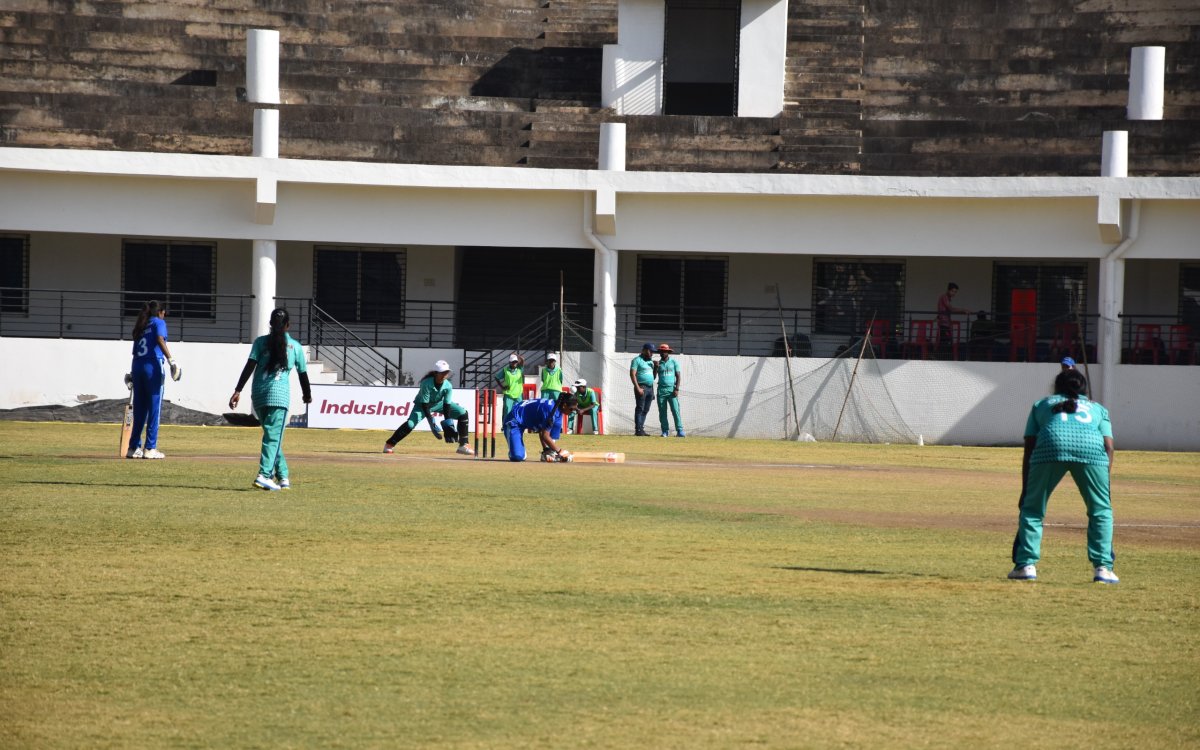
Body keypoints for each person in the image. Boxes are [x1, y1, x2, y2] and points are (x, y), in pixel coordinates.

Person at [1009, 369, 1118, 584]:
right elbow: (1109, 446)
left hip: (1049, 448)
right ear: (1084, 389)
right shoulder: (1097, 408)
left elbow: (1030, 446)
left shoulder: (1042, 405)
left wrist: (1026, 489)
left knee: (1032, 509)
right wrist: (1104, 483)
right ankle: (1103, 568)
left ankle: (1026, 566)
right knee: (1101, 511)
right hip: (1092, 452)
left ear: (1056, 388)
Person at [228, 308, 312, 491]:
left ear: (270, 325)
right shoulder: (295, 346)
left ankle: (283, 476)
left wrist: (237, 390)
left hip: (259, 395)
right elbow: (303, 374)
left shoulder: (260, 342)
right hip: (278, 397)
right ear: (288, 325)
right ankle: (264, 475)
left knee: (272, 436)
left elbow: (249, 366)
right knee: (273, 439)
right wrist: (307, 395)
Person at [383, 360, 475, 456]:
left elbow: (446, 404)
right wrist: (431, 422)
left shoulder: (448, 385)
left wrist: (448, 423)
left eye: (446, 372)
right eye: (442, 372)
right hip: (422, 405)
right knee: (410, 424)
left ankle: (463, 446)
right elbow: (425, 404)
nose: (445, 374)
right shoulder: (426, 383)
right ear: (436, 373)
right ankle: (389, 444)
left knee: (463, 413)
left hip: (439, 404)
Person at [127, 299, 178, 459]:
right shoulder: (158, 322)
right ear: (160, 312)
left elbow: (136, 353)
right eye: (164, 314)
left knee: (140, 410)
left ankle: (133, 447)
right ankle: (150, 448)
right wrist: (172, 360)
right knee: (154, 409)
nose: (165, 317)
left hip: (137, 367)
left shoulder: (141, 325)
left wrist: (132, 374)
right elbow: (160, 339)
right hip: (152, 367)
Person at [503, 392, 578, 462]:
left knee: (555, 428)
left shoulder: (558, 410)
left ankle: (548, 451)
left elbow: (544, 432)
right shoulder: (551, 411)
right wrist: (560, 451)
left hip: (526, 418)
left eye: (575, 409)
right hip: (514, 421)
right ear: (564, 405)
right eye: (572, 409)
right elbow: (544, 435)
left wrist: (547, 450)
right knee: (518, 457)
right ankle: (514, 450)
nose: (573, 411)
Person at [654, 343, 684, 437]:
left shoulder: (674, 362)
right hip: (661, 390)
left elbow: (678, 376)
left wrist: (677, 389)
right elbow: (654, 377)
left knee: (675, 410)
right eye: (661, 351)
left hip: (672, 390)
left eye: (664, 351)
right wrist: (655, 367)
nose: (662, 353)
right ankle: (665, 431)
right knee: (662, 412)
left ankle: (679, 430)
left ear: (668, 352)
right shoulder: (658, 363)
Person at [936, 282, 970, 359]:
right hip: (944, 323)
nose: (954, 293)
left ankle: (942, 358)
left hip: (946, 323)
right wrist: (963, 310)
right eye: (953, 291)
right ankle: (940, 359)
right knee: (945, 342)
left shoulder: (947, 298)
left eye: (955, 292)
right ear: (948, 290)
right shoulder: (944, 297)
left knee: (946, 342)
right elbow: (951, 309)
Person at [629, 342, 657, 436]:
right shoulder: (636, 360)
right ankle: (638, 430)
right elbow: (632, 374)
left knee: (646, 409)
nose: (652, 353)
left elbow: (653, 377)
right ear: (644, 350)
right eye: (650, 351)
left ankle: (641, 429)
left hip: (650, 388)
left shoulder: (650, 362)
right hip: (641, 387)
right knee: (640, 408)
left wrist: (656, 367)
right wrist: (637, 388)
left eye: (653, 352)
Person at [495, 353, 525, 423]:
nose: (514, 363)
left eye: (516, 362)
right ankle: (506, 425)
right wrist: (502, 386)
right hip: (508, 394)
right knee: (507, 411)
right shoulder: (505, 370)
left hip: (518, 394)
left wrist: (517, 355)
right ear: (509, 362)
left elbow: (523, 360)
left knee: (519, 410)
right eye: (513, 362)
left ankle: (518, 425)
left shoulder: (519, 369)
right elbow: (497, 377)